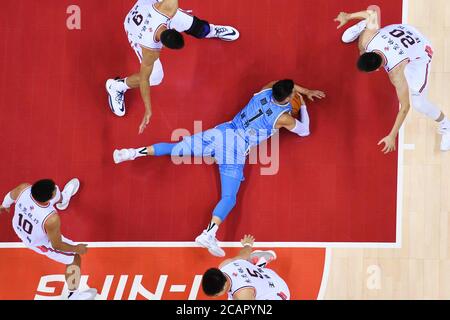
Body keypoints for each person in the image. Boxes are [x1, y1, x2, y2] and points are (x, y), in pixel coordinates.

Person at [113, 79, 325, 256]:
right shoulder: (285, 118)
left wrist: (303, 91)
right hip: (235, 150)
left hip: (222, 132)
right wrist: (304, 103)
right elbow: (305, 130)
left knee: (174, 147)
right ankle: (208, 234)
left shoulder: (266, 89)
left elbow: (287, 84)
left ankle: (129, 153)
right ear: (288, 98)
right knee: (229, 198)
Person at [106, 0, 240, 134]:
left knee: (198, 27)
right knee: (155, 77)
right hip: (134, 29)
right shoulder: (150, 50)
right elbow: (144, 80)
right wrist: (148, 108)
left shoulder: (169, 7)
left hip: (150, 8)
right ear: (163, 46)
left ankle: (211, 30)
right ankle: (116, 86)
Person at [334, 6, 450, 153]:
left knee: (419, 103)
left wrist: (392, 135)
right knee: (365, 38)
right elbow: (371, 12)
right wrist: (348, 16)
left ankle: (447, 126)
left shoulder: (396, 72)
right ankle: (363, 25)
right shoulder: (368, 40)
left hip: (421, 48)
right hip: (402, 30)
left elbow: (405, 107)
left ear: (377, 68)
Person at [0, 179, 97, 300]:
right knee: (74, 258)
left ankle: (64, 199)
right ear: (49, 197)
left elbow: (10, 196)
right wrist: (77, 248)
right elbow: (56, 245)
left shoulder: (23, 188)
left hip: (18, 227)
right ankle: (74, 295)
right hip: (37, 243)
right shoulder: (51, 218)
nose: (56, 188)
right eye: (54, 190)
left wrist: (4, 206)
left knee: (58, 195)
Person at [201, 234, 290, 300]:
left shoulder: (242, 296)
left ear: (224, 287)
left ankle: (260, 263)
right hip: (268, 274)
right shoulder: (225, 265)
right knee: (242, 261)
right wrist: (248, 244)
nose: (214, 297)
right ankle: (259, 263)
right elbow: (244, 254)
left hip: (279, 294)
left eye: (215, 295)